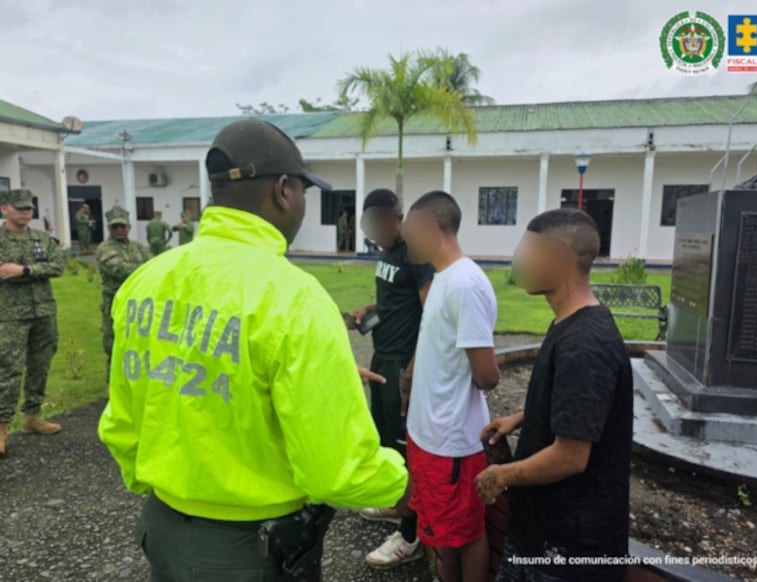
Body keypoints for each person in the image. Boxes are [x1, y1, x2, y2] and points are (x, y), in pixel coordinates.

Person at [98, 118, 411, 582]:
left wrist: (168, 483)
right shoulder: (293, 297)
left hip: (162, 530)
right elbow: (335, 469)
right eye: (305, 190)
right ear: (285, 190)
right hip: (251, 550)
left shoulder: (146, 282)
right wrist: (406, 484)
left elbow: (123, 422)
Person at [475, 208, 633, 582]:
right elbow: (581, 408)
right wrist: (522, 419)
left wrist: (503, 474)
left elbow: (571, 456)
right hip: (543, 537)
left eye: (529, 253)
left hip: (566, 551)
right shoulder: (568, 322)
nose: (519, 263)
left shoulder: (585, 346)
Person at [401, 190, 500, 582]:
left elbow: (487, 375)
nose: (403, 236)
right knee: (445, 532)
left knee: (467, 532)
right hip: (429, 435)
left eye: (408, 227)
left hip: (452, 439)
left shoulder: (464, 284)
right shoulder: (443, 277)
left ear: (428, 227)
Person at [346, 188, 433, 570]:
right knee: (385, 438)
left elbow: (431, 313)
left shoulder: (417, 256)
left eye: (381, 222)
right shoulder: (387, 254)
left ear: (397, 217)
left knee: (404, 445)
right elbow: (397, 299)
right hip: (382, 355)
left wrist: (414, 368)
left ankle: (411, 537)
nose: (376, 231)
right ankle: (399, 505)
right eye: (371, 224)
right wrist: (370, 306)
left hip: (402, 361)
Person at [0, 189, 66, 456]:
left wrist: (23, 271)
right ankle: (2, 426)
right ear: (5, 208)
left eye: (29, 208)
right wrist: (33, 272)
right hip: (10, 314)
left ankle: (32, 416)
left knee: (40, 364)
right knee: (9, 370)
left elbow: (58, 266)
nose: (26, 212)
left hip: (43, 312)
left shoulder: (42, 238)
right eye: (20, 208)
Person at [95, 206, 152, 383]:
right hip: (115, 305)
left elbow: (154, 264)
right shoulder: (105, 248)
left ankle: (135, 384)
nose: (119, 230)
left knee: (139, 344)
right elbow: (120, 270)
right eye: (115, 227)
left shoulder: (138, 247)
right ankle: (112, 389)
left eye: (122, 226)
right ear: (108, 228)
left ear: (129, 227)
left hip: (139, 303)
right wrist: (146, 270)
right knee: (115, 347)